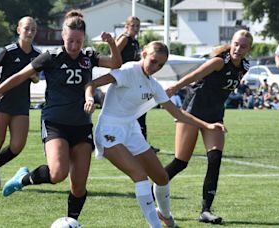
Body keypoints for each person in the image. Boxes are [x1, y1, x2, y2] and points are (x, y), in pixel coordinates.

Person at [0, 10, 122, 220]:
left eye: (78, 41)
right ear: (63, 35)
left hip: (81, 126)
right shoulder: (50, 57)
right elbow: (17, 77)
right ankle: (23, 179)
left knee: (79, 186)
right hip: (55, 124)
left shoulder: (89, 57)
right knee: (58, 174)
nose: (74, 46)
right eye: (70, 40)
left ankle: (72, 222)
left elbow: (116, 64)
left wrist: (112, 44)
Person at [85, 41, 226, 228]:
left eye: (160, 65)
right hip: (110, 130)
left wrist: (207, 126)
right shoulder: (129, 70)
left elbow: (177, 113)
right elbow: (92, 83)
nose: (156, 67)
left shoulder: (153, 84)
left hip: (131, 130)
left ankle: (165, 216)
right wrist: (88, 97)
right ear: (144, 54)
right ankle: (155, 225)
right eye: (153, 61)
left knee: (161, 177)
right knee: (140, 176)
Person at [164, 29, 253, 224]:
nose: (238, 48)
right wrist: (174, 88)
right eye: (236, 44)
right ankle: (150, 189)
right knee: (181, 162)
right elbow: (195, 75)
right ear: (231, 43)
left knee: (215, 159)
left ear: (249, 49)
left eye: (243, 46)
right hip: (193, 111)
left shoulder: (245, 66)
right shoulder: (219, 61)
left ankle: (205, 210)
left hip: (215, 116)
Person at [0, 16, 41, 191]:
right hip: (2, 102)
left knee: (18, 145)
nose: (29, 32)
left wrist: (34, 77)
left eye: (33, 29)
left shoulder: (38, 55)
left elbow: (36, 78)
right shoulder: (8, 50)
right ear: (18, 30)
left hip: (21, 104)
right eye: (26, 28)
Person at [115, 16, 160, 153]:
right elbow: (113, 54)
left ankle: (142, 144)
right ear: (127, 26)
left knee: (141, 111)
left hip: (136, 80)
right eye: (133, 25)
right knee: (134, 112)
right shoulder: (124, 39)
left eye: (137, 26)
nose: (135, 28)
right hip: (126, 80)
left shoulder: (135, 42)